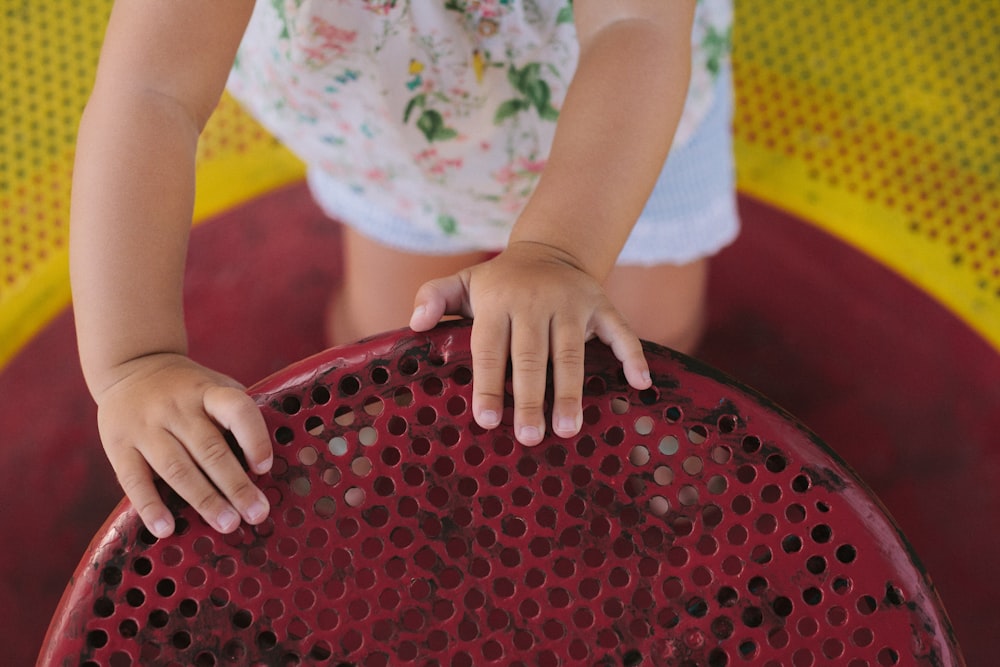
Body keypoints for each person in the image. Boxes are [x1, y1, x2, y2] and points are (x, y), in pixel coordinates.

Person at [70, 0, 737, 539]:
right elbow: (151, 90)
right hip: (402, 138)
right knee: (386, 342)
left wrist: (561, 253)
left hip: (620, 134)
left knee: (649, 343)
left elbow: (636, 26)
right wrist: (136, 358)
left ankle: (658, 506)